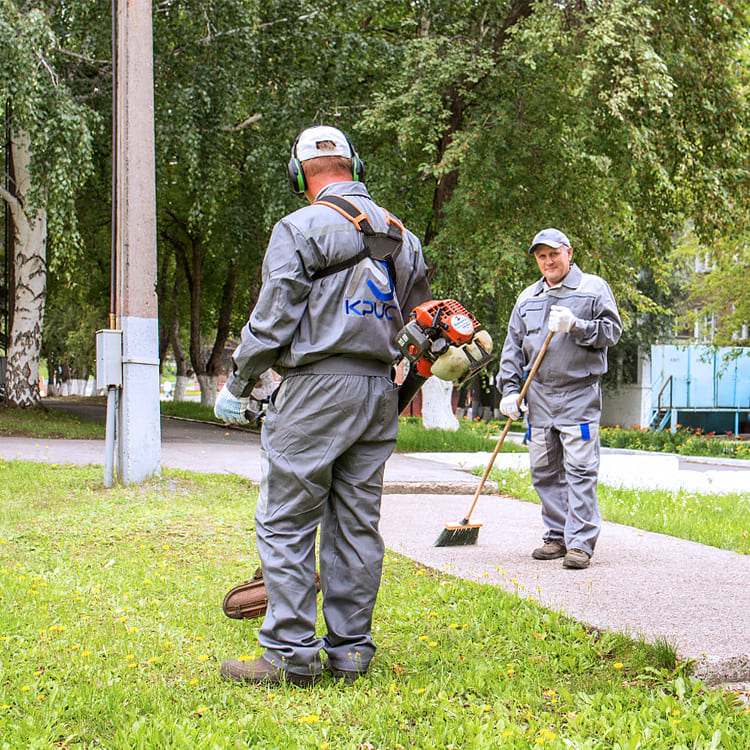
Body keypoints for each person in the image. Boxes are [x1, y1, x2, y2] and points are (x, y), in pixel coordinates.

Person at [213, 125, 432, 686]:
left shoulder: (298, 228)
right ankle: (350, 650)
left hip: (315, 389)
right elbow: (418, 320)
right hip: (380, 390)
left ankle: (289, 654)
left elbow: (273, 317)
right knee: (357, 523)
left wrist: (239, 383)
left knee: (285, 520)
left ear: (298, 172)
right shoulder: (401, 234)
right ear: (353, 165)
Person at [499, 228, 622, 570]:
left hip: (578, 396)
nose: (548, 261)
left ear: (569, 252)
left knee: (580, 470)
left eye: (554, 253)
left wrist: (577, 325)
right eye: (541, 256)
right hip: (538, 399)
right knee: (544, 471)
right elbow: (512, 350)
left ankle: (581, 543)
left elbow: (612, 332)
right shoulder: (527, 299)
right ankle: (557, 535)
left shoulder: (592, 289)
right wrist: (509, 391)